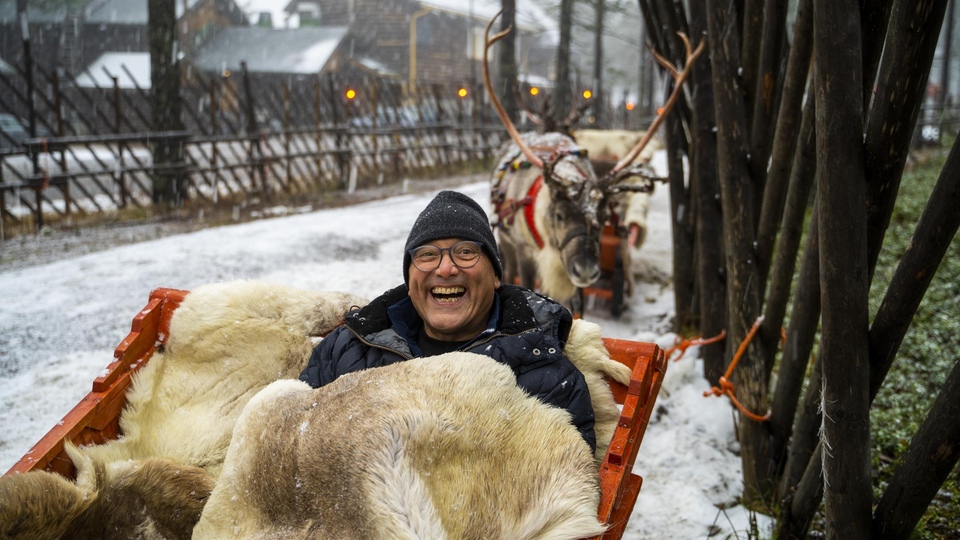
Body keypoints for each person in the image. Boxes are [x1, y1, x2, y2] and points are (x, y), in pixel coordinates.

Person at [299, 190, 597, 452]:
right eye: (427, 254)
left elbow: (556, 491)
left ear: (495, 275)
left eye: (465, 252)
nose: (445, 268)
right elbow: (292, 442)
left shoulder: (545, 372)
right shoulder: (348, 348)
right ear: (409, 278)